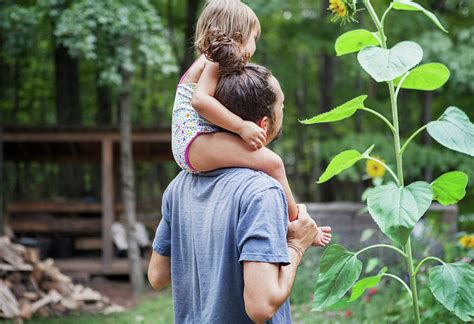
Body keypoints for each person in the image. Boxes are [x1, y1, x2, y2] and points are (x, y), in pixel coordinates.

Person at [149, 63, 332, 323]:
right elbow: (260, 307)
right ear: (264, 123)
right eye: (282, 106)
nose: (284, 111)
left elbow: (158, 276)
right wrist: (297, 245)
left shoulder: (179, 185)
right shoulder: (262, 193)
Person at [173, 0, 303, 224]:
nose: (254, 47)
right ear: (238, 35)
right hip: (195, 142)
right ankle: (296, 220)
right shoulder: (213, 60)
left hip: (193, 144)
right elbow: (200, 101)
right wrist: (241, 126)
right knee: (273, 163)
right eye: (255, 38)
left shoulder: (208, 61)